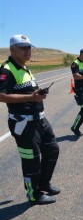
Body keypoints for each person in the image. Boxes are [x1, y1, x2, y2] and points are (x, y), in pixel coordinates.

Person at [0, 34, 60, 205]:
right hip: (23, 123)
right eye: (23, 48)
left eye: (29, 47)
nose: (28, 51)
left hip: (39, 119)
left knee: (52, 150)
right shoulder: (6, 69)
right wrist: (31, 98)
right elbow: (2, 96)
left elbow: (27, 90)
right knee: (31, 160)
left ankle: (44, 184)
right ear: (12, 50)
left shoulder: (25, 68)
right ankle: (33, 194)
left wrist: (38, 92)